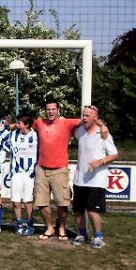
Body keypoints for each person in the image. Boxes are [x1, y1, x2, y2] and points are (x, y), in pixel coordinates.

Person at [33, 98, 86, 240]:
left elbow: (87, 120)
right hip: (41, 169)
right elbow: (24, 125)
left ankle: (62, 228)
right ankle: (50, 227)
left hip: (59, 170)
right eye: (48, 109)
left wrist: (102, 126)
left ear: (58, 110)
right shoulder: (39, 122)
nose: (50, 112)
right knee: (41, 202)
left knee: (62, 203)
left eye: (53, 109)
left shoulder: (67, 123)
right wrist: (9, 126)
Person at [72, 105, 118, 249]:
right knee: (78, 210)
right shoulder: (80, 132)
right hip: (80, 178)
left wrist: (100, 161)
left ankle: (98, 237)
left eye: (87, 116)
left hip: (96, 180)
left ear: (95, 118)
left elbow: (114, 154)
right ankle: (82, 234)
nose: (84, 118)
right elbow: (74, 127)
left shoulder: (103, 134)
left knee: (92, 210)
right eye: (83, 115)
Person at [5, 114, 38, 236]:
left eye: (19, 123)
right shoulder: (13, 135)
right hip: (16, 173)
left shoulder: (35, 136)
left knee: (28, 201)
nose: (17, 125)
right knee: (15, 201)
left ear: (27, 125)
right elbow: (4, 141)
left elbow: (40, 153)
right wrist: (7, 126)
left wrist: (33, 171)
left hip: (29, 174)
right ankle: (19, 224)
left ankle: (29, 224)